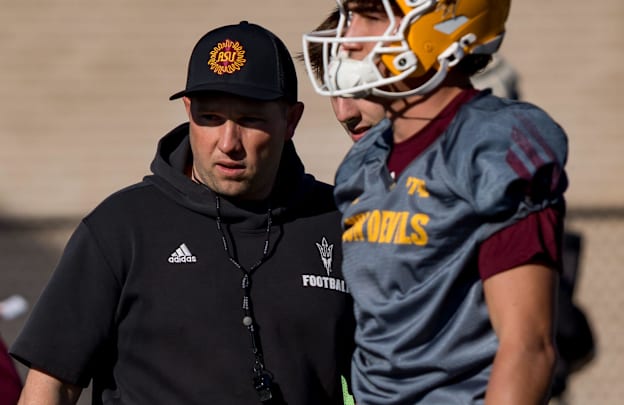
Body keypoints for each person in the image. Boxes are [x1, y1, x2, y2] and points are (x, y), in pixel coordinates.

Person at [10, 21, 355, 405]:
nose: (228, 143)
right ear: (188, 111)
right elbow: (50, 386)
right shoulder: (122, 227)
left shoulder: (342, 223)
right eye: (210, 118)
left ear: (290, 120)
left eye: (250, 120)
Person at [302, 1, 569, 403]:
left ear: (441, 26)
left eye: (372, 16)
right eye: (349, 17)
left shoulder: (490, 146)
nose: (348, 38)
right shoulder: (363, 162)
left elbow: (528, 348)